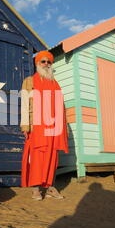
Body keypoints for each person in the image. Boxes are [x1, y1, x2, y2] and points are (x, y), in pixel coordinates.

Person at [20, 50, 69, 200]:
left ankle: (50, 187)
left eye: (49, 62)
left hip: (53, 127)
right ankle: (36, 189)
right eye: (43, 61)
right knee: (37, 156)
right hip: (37, 126)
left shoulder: (55, 84)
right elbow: (24, 103)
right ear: (37, 64)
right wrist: (25, 124)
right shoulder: (29, 81)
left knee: (52, 157)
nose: (46, 64)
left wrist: (63, 127)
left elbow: (61, 107)